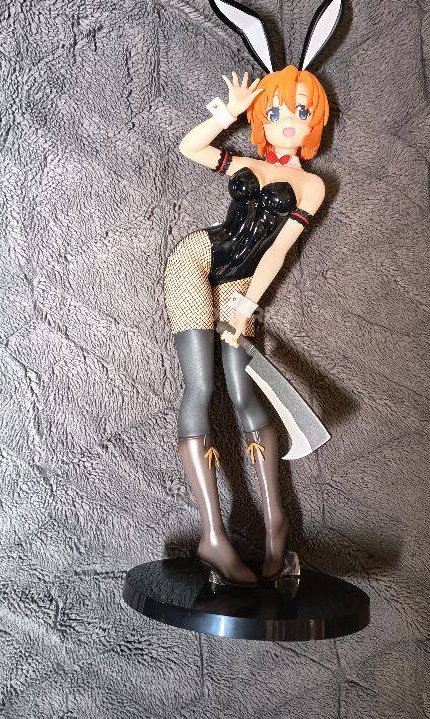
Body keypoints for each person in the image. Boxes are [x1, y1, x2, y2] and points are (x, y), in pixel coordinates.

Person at [163, 65, 329, 586]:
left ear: (315, 122)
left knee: (244, 389)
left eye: (301, 111)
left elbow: (277, 251)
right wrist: (228, 115)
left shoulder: (312, 185)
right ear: (262, 119)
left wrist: (248, 305)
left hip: (241, 282)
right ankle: (213, 537)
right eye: (275, 111)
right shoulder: (247, 162)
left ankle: (277, 523)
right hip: (195, 260)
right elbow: (191, 148)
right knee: (201, 386)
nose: (288, 121)